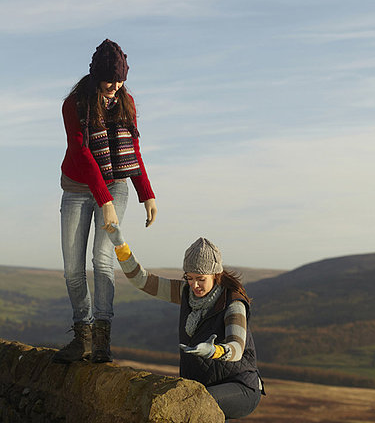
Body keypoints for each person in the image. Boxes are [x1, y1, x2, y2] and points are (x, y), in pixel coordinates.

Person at [53, 39, 157, 364]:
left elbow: (133, 151)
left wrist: (147, 193)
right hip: (76, 188)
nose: (115, 86)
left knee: (102, 258)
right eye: (110, 80)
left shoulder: (127, 103)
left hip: (116, 186)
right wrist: (102, 198)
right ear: (96, 76)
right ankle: (81, 336)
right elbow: (82, 154)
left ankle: (101, 342)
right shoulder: (74, 104)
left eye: (121, 79)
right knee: (72, 268)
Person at [106, 229, 264, 421]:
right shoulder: (186, 293)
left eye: (200, 279)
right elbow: (142, 280)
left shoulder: (233, 304)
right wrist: (120, 246)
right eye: (189, 278)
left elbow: (237, 348)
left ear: (215, 274)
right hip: (203, 385)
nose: (194, 285)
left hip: (240, 387)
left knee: (194, 403)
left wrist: (214, 351)